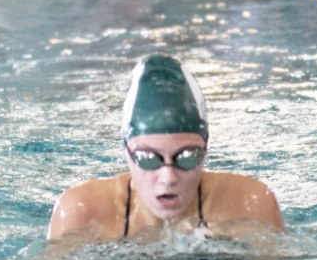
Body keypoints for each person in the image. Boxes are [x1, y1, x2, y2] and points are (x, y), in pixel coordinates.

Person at [48, 54, 284, 241]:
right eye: (148, 158)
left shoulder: (249, 203)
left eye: (188, 157)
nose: (168, 178)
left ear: (205, 152)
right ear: (126, 154)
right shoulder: (81, 210)